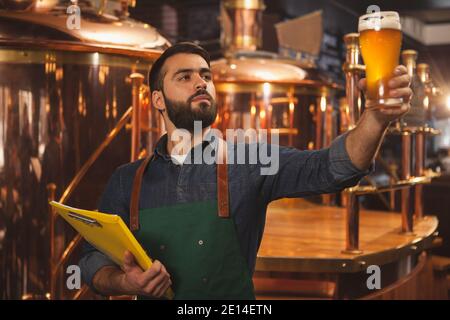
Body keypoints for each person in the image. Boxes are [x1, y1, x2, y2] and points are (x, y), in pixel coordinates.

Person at [79, 42, 412, 299]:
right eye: (185, 76)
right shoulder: (127, 181)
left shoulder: (251, 162)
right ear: (158, 100)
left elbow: (335, 168)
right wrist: (126, 282)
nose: (200, 83)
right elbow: (91, 259)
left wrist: (375, 118)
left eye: (205, 76)